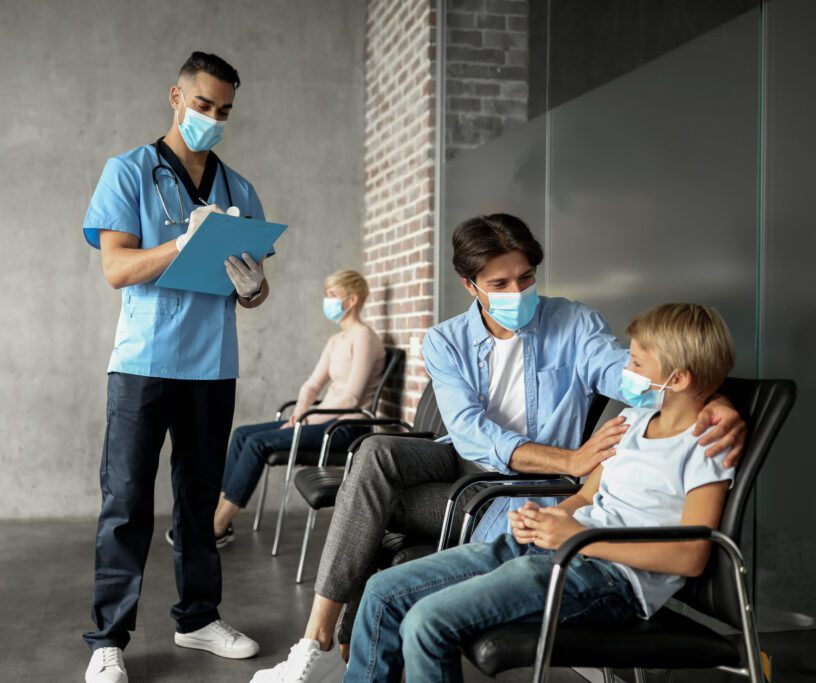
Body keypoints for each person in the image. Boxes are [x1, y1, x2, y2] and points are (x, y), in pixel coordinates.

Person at [252, 215, 746, 683]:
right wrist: (570, 463)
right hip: (467, 462)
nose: (518, 292)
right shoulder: (447, 339)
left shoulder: (574, 324)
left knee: (379, 532)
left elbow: (634, 372)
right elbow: (467, 431)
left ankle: (341, 646)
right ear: (470, 285)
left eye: (526, 278)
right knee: (375, 453)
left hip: (524, 495)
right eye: (500, 284)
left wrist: (712, 396)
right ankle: (315, 641)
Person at [344, 303, 737, 682]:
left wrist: (577, 538)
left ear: (679, 379)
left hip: (608, 579)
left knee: (428, 623)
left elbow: (691, 556)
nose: (626, 371)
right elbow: (585, 499)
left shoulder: (706, 446)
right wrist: (547, 520)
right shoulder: (629, 421)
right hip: (557, 549)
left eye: (635, 363)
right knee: (382, 592)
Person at [82, 52, 270, 683]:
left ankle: (197, 620)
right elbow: (116, 269)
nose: (212, 119)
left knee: (197, 503)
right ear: (176, 96)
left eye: (223, 112)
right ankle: (108, 638)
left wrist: (252, 287)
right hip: (143, 364)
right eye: (203, 106)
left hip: (212, 367)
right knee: (128, 501)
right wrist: (182, 246)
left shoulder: (238, 189)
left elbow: (256, 287)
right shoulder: (128, 171)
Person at [197, 270, 385, 547]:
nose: (327, 301)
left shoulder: (364, 338)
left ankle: (217, 527)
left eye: (333, 295)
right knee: (242, 434)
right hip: (320, 420)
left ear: (352, 299)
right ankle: (214, 513)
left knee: (257, 444)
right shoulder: (337, 341)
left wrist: (308, 419)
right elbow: (311, 386)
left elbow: (352, 398)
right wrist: (300, 413)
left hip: (345, 427)